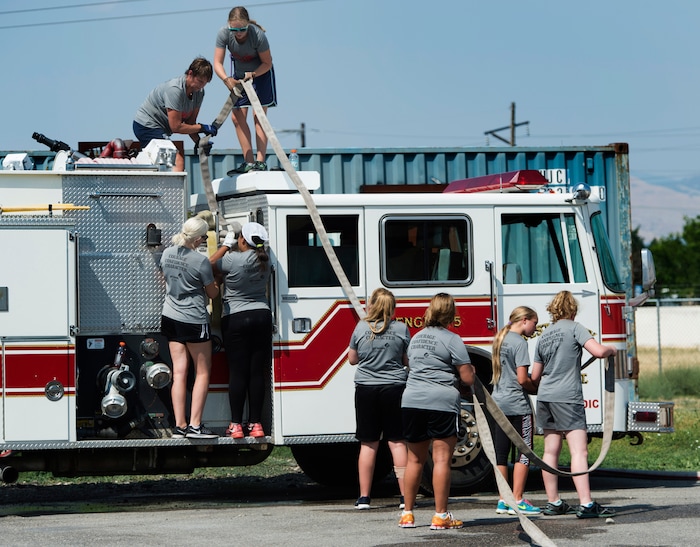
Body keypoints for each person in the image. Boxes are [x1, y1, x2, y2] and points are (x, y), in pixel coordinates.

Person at [530, 290, 617, 519]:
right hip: (568, 397)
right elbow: (598, 352)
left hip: (545, 396)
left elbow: (535, 375)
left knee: (550, 451)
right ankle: (586, 504)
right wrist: (611, 350)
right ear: (573, 310)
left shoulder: (544, 335)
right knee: (579, 450)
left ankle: (554, 502)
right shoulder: (575, 327)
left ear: (553, 311)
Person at [399, 293, 475, 530]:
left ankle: (408, 514)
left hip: (411, 400)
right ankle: (440, 516)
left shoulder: (416, 337)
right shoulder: (453, 339)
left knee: (414, 460)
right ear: (451, 313)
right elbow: (467, 377)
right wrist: (469, 371)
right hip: (441, 401)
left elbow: (411, 365)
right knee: (441, 459)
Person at [348, 288, 410, 510]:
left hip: (366, 389)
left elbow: (352, 359)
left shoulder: (361, 327)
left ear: (372, 305)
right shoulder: (402, 328)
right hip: (395, 388)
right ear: (392, 307)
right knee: (397, 442)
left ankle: (364, 497)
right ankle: (405, 496)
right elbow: (407, 360)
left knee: (368, 443)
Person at [209, 222, 272, 439]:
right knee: (256, 372)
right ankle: (256, 424)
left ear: (242, 240)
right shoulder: (266, 257)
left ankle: (235, 424)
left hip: (235, 317)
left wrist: (226, 244)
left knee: (237, 372)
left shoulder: (232, 259)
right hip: (261, 315)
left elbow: (209, 265)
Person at [159, 217, 219, 439]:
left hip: (170, 316)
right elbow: (211, 293)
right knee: (202, 371)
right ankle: (195, 425)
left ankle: (179, 426)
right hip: (193, 319)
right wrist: (217, 285)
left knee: (179, 372)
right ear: (197, 238)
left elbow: (163, 278)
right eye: (204, 237)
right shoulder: (200, 261)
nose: (204, 240)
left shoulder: (167, 253)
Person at [490, 306, 541, 516]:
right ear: (525, 320)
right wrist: (536, 387)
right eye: (534, 324)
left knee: (500, 454)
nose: (535, 329)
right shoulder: (520, 342)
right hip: (517, 405)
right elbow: (522, 379)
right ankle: (518, 499)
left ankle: (503, 499)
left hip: (498, 403)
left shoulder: (499, 339)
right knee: (525, 452)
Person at [214, 6, 276, 174]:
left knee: (259, 117)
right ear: (229, 26)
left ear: (248, 25)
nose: (238, 33)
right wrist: (226, 79)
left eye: (242, 29)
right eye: (235, 29)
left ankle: (260, 161)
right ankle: (248, 161)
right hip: (239, 76)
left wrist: (253, 74)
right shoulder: (224, 33)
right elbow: (217, 63)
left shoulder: (258, 36)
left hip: (260, 74)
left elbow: (267, 63)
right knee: (237, 117)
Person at [133, 57, 218, 172]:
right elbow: (176, 127)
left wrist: (199, 142)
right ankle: (176, 190)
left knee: (163, 161)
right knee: (177, 159)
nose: (202, 86)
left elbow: (190, 123)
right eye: (200, 81)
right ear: (190, 73)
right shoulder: (175, 90)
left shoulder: (199, 92)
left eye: (205, 83)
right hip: (147, 125)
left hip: (161, 129)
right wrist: (202, 127)